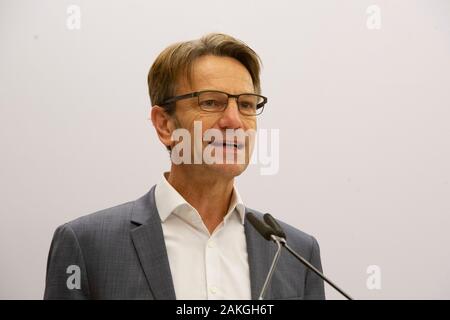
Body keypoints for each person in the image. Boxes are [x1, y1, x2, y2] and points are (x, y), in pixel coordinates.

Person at [44, 33, 325, 300]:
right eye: (211, 102)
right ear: (164, 124)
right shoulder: (86, 245)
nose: (234, 121)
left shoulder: (295, 252)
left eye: (247, 105)